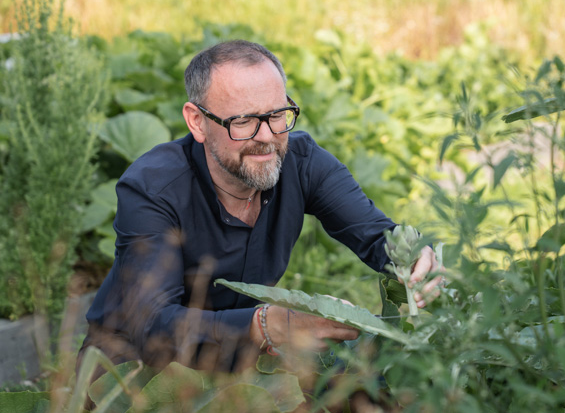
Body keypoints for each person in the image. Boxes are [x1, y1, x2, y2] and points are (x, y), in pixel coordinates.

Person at [79, 39, 440, 374]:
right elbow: (153, 325)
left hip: (242, 362)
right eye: (244, 121)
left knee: (368, 388)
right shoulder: (153, 189)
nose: (266, 137)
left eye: (277, 115)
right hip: (131, 370)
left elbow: (376, 235)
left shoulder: (303, 163)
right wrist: (269, 324)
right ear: (197, 122)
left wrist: (414, 257)